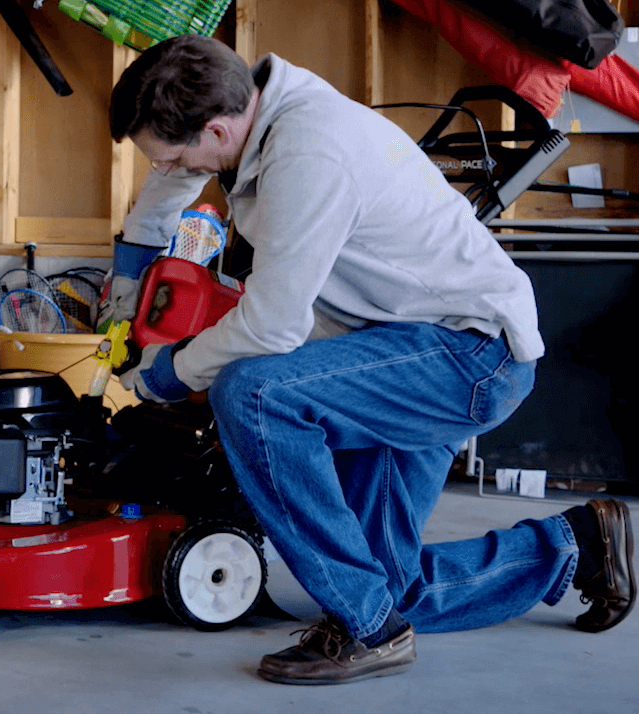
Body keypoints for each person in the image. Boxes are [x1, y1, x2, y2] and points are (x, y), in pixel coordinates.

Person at [109, 34, 635, 685]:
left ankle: (365, 630)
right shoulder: (242, 109)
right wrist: (124, 293)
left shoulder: (308, 154)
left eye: (169, 155)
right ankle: (576, 543)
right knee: (388, 585)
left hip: (466, 357)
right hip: (388, 348)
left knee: (251, 391)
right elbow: (169, 190)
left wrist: (166, 372)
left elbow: (272, 325)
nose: (166, 169)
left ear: (215, 129)